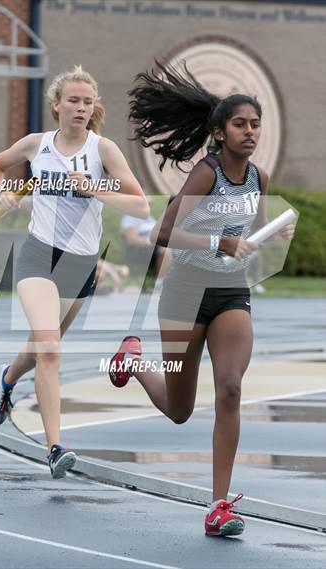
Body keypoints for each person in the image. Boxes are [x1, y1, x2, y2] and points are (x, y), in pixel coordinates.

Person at [109, 62, 294, 536]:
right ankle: (134, 362)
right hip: (185, 294)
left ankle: (219, 508)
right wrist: (218, 244)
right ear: (219, 132)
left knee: (230, 388)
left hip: (231, 292)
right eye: (240, 124)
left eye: (255, 124)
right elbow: (164, 232)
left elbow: (245, 235)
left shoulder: (260, 178)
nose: (250, 132)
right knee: (179, 409)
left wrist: (272, 236)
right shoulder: (205, 175)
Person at [0, 65, 149, 479]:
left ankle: (6, 380)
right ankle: (56, 447)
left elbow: (141, 205)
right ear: (56, 104)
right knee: (51, 349)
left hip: (81, 263)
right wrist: (2, 190)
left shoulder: (103, 150)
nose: (80, 108)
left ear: (94, 108)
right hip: (39, 255)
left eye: (87, 102)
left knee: (41, 348)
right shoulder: (36, 145)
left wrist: (95, 188)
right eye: (73, 100)